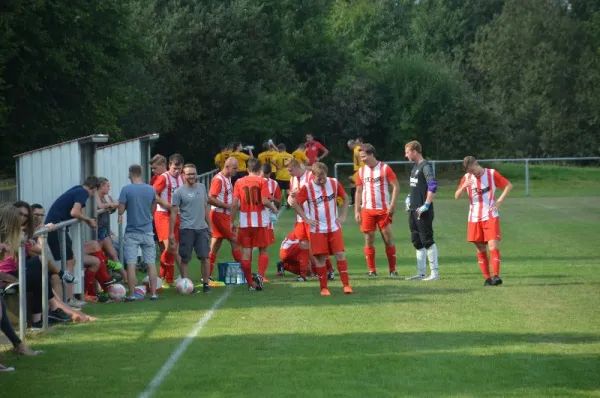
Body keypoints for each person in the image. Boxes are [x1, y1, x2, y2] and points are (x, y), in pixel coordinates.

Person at [291, 162, 353, 296]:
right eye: (319, 178)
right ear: (312, 175)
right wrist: (306, 218)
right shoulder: (307, 187)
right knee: (320, 258)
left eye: (324, 177)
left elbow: (346, 197)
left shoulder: (334, 183)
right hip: (317, 230)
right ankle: (324, 288)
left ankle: (347, 285)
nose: (322, 180)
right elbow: (295, 203)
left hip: (334, 227)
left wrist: (343, 215)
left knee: (340, 254)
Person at [455, 156, 513, 286]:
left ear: (476, 163)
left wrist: (499, 202)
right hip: (474, 218)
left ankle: (496, 276)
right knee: (480, 248)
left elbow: (508, 185)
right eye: (470, 171)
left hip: (490, 215)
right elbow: (456, 196)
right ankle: (487, 278)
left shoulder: (491, 174)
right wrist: (463, 186)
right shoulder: (467, 178)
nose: (473, 173)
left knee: (493, 245)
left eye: (473, 170)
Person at [45, 176, 102, 308]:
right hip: (56, 229)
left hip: (58, 229)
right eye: (94, 192)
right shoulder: (83, 192)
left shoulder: (77, 189)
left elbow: (76, 210)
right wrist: (89, 220)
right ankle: (68, 299)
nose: (92, 195)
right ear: (93, 188)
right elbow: (75, 212)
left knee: (71, 261)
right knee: (69, 263)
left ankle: (69, 298)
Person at [230, 158, 278, 291]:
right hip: (261, 222)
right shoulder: (262, 181)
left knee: (246, 252)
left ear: (247, 169)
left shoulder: (239, 182)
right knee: (263, 249)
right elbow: (264, 200)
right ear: (259, 170)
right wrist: (273, 208)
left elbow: (235, 204)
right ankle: (260, 277)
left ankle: (250, 283)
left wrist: (231, 221)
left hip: (245, 223)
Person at [354, 144, 399, 277]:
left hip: (383, 210)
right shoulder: (361, 171)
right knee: (368, 238)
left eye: (363, 156)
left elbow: (396, 187)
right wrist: (357, 211)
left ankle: (392, 269)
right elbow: (358, 191)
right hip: (367, 210)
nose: (362, 160)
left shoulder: (385, 168)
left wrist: (392, 205)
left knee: (388, 239)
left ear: (371, 154)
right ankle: (372, 271)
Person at [119, 164, 160, 300]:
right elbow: (153, 207)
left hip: (132, 232)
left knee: (131, 263)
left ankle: (131, 295)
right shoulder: (151, 189)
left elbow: (120, 210)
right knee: (151, 263)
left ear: (130, 174)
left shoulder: (126, 189)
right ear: (141, 173)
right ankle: (154, 293)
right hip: (148, 231)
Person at [170, 164, 212, 293]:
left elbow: (205, 207)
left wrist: (209, 226)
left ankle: (206, 284)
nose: (192, 176)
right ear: (183, 175)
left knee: (205, 257)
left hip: (202, 229)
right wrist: (171, 232)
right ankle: (185, 284)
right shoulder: (178, 192)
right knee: (185, 258)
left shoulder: (202, 187)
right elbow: (173, 212)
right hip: (186, 229)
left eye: (193, 173)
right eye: (188, 174)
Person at [404, 141, 440, 281]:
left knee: (427, 240)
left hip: (422, 211)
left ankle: (435, 274)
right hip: (412, 211)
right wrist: (409, 198)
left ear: (414, 151)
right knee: (417, 241)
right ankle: (421, 273)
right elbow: (415, 187)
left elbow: (432, 185)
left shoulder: (425, 166)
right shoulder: (415, 167)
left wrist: (426, 204)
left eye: (407, 152)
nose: (405, 155)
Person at [208, 157, 242, 278]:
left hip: (222, 214)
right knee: (235, 240)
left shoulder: (228, 178)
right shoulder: (218, 179)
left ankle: (207, 275)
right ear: (227, 167)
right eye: (234, 168)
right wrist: (228, 206)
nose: (236, 171)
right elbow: (211, 198)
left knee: (216, 243)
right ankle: (244, 271)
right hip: (219, 214)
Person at [153, 153, 184, 286]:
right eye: (174, 169)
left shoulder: (182, 178)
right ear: (169, 166)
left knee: (173, 248)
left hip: (177, 215)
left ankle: (165, 278)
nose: (176, 172)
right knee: (171, 247)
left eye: (179, 169)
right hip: (163, 215)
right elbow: (153, 194)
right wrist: (166, 205)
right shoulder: (163, 178)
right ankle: (164, 277)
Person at [287, 159, 314, 281]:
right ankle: (303, 275)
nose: (289, 173)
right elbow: (291, 195)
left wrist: (302, 191)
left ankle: (329, 271)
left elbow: (317, 192)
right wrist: (289, 198)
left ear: (297, 166)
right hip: (300, 217)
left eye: (291, 170)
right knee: (303, 245)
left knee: (316, 247)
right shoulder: (292, 179)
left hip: (312, 217)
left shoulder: (310, 176)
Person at [96, 178, 126, 282]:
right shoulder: (96, 195)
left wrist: (112, 204)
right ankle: (101, 282)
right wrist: (111, 204)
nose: (109, 188)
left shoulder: (106, 196)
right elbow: (100, 206)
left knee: (113, 254)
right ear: (101, 186)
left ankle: (125, 277)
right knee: (99, 257)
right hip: (97, 230)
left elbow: (113, 207)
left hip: (104, 229)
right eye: (107, 186)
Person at [261, 163, 282, 257]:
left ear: (269, 173)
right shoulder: (255, 182)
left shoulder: (274, 184)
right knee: (249, 246)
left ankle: (260, 272)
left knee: (265, 246)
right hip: (255, 217)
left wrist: (272, 199)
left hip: (268, 219)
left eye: (266, 174)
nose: (265, 176)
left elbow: (279, 202)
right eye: (263, 173)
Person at [350, 137, 365, 206]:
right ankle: (354, 201)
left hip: (361, 169)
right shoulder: (356, 149)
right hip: (357, 169)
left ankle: (359, 201)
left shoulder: (359, 149)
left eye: (357, 142)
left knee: (355, 183)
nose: (356, 143)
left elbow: (362, 159)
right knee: (353, 183)